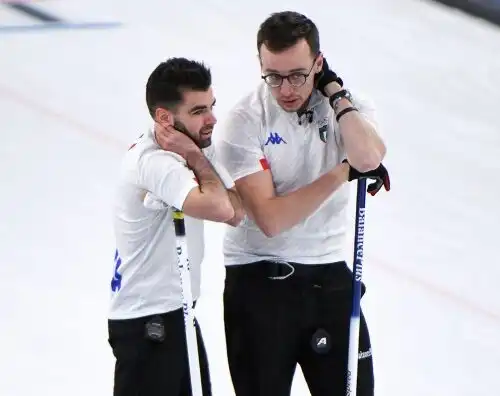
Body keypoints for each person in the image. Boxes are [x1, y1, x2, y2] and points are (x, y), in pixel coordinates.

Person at [215, 11, 391, 396]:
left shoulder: (349, 108)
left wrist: (337, 95)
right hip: (260, 281)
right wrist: (341, 172)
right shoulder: (244, 121)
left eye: (297, 75)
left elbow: (368, 157)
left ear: (319, 63)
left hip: (328, 277)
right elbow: (272, 220)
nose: (286, 89)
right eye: (273, 77)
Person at [107, 57, 244, 396]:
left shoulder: (187, 149)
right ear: (164, 118)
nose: (212, 119)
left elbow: (237, 210)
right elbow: (221, 206)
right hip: (149, 325)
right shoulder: (156, 162)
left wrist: (195, 156)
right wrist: (196, 158)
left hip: (174, 317)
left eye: (211, 106)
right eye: (198, 111)